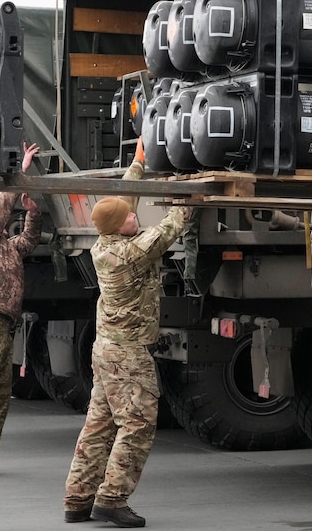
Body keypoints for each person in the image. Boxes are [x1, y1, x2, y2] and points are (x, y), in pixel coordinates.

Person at [63, 138, 192, 527]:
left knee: (99, 424)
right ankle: (112, 499)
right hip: (127, 354)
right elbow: (173, 225)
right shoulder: (131, 252)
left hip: (107, 352)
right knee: (136, 423)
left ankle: (77, 499)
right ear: (122, 227)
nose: (136, 216)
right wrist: (188, 188)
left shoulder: (108, 242)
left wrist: (137, 164)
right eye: (130, 216)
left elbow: (127, 203)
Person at [0, 142, 41, 476]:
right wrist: (21, 172)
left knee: (1, 389)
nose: (1, 224)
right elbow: (0, 208)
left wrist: (32, 212)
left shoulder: (9, 247)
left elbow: (29, 240)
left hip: (5, 321)